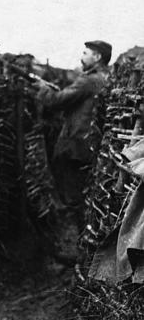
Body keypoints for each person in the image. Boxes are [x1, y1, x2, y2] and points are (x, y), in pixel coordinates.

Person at [36, 40, 111, 211]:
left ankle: (75, 231)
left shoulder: (89, 80)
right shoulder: (106, 78)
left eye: (85, 54)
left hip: (76, 147)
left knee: (73, 197)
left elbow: (56, 101)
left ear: (97, 57)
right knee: (83, 194)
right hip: (90, 146)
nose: (81, 58)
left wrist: (43, 89)